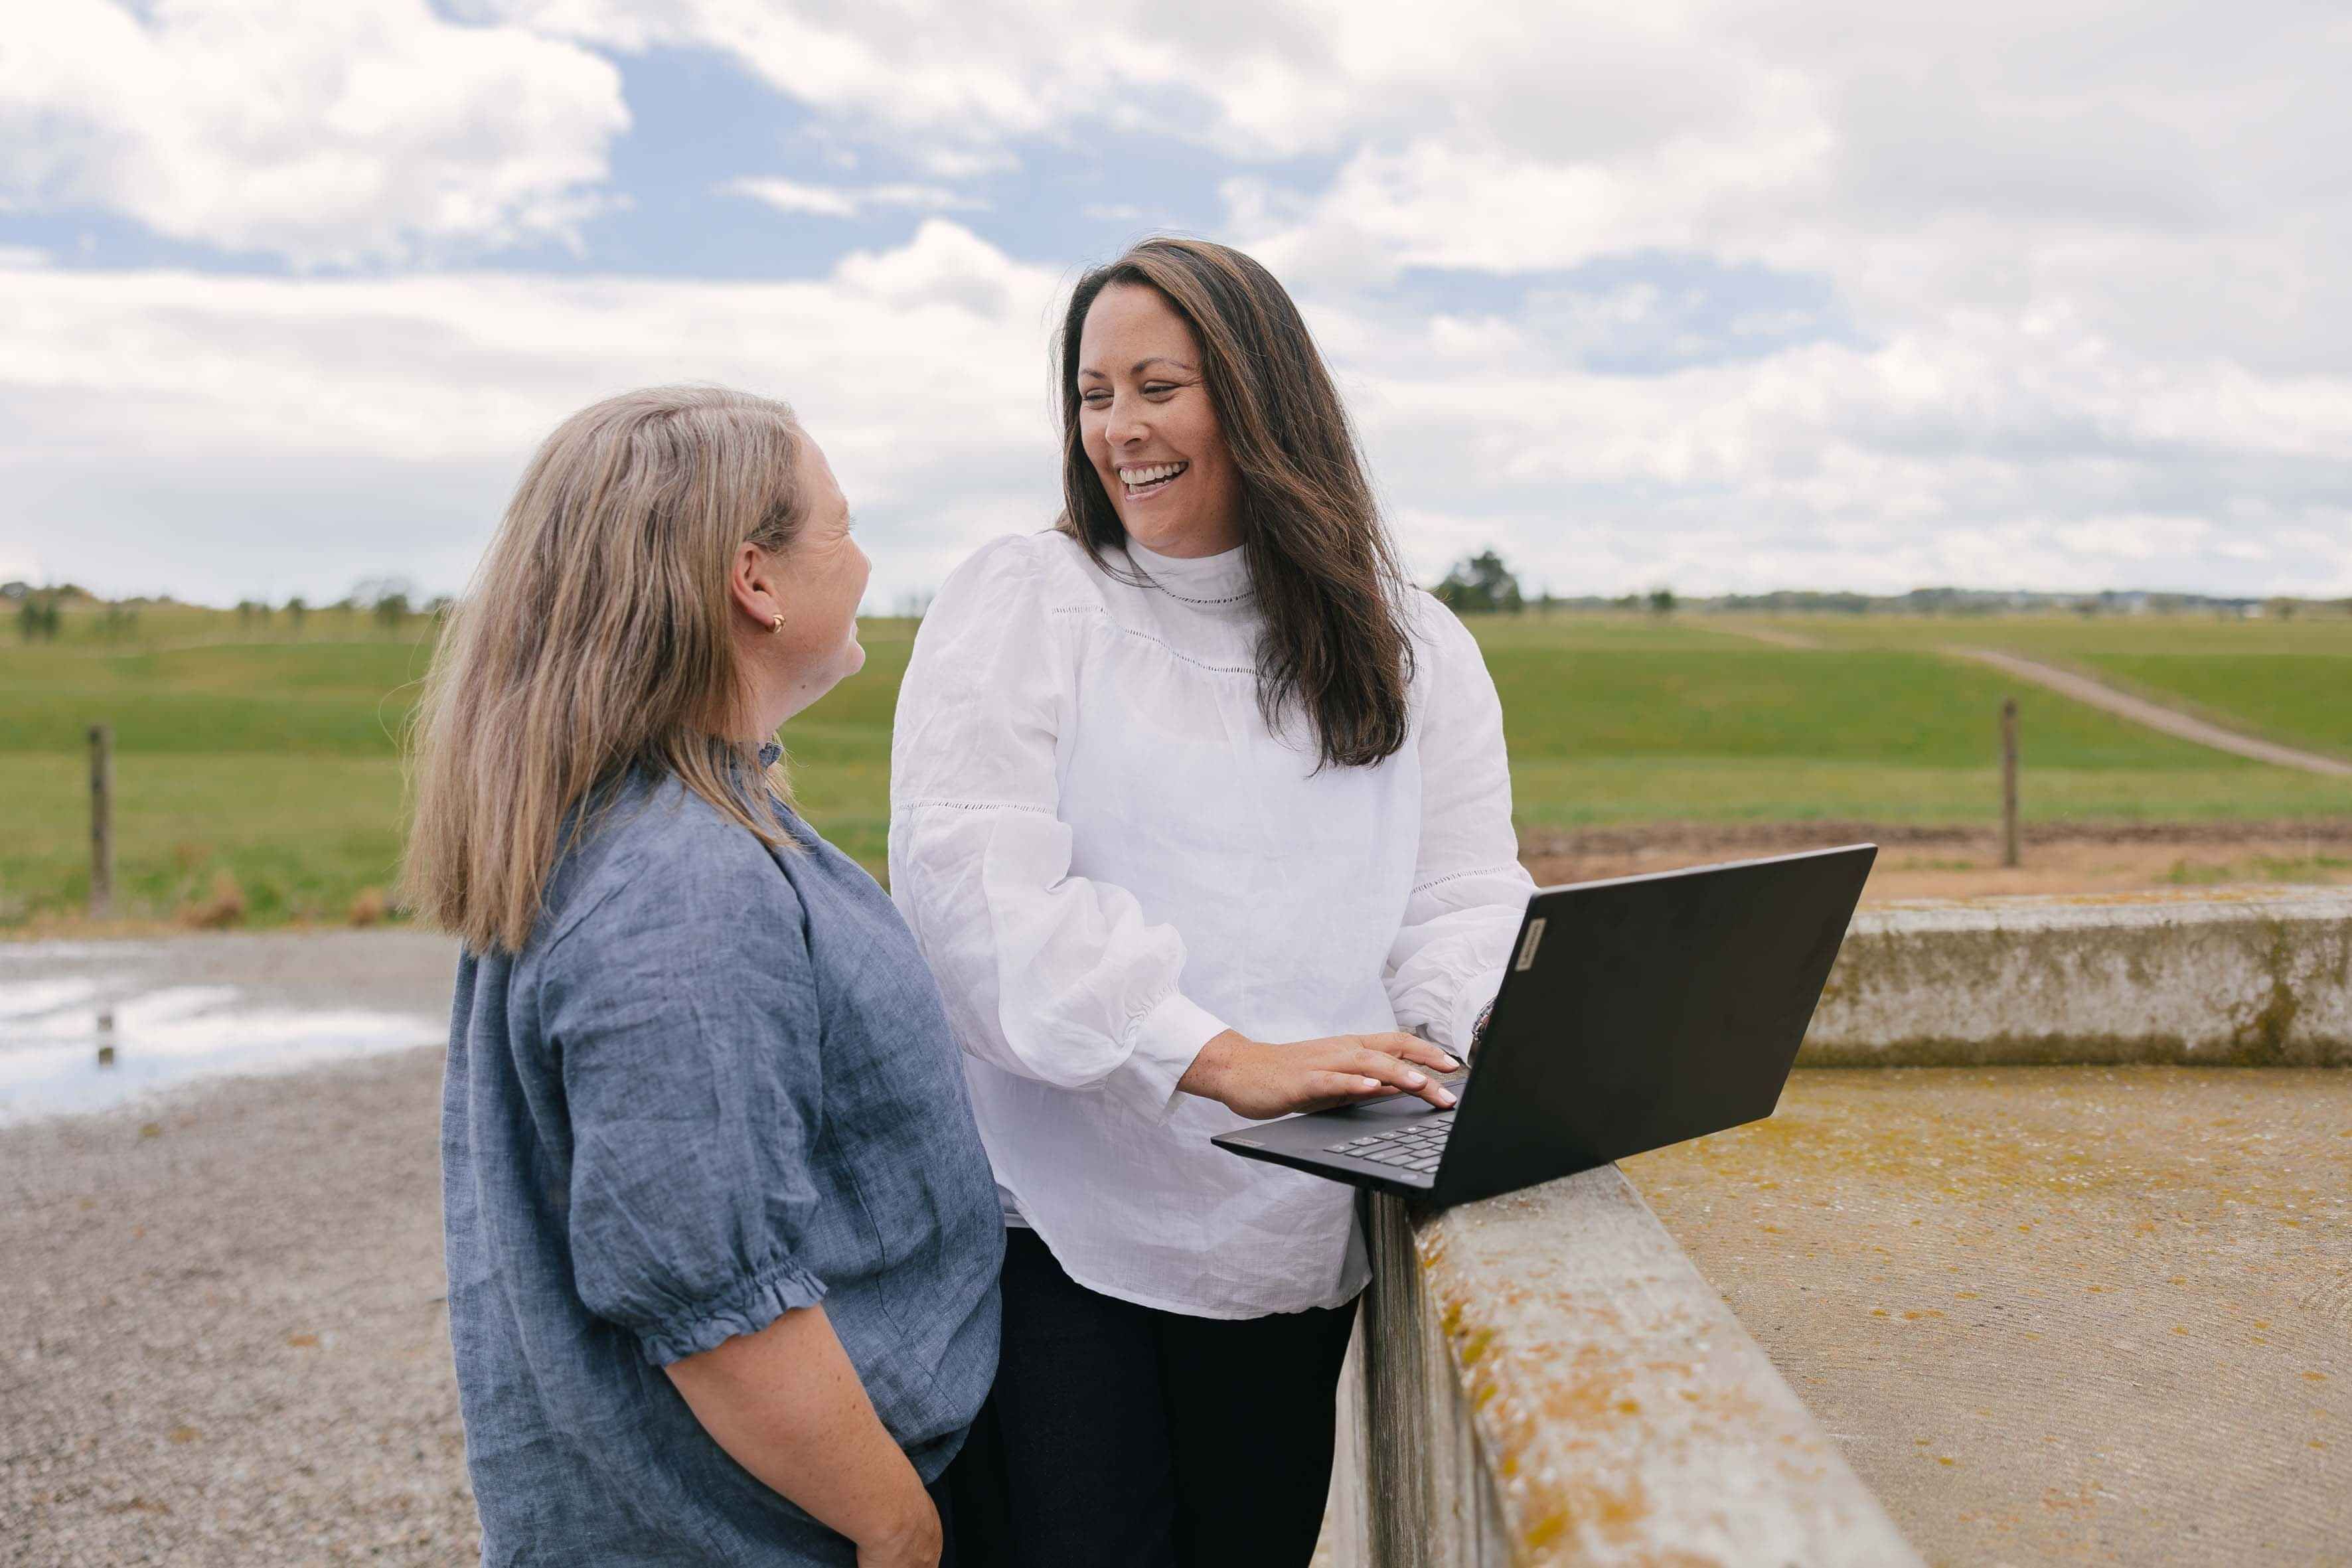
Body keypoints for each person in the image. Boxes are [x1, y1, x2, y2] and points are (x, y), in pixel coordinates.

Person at [888, 239, 1537, 1566]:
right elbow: (974, 894)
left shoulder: (1413, 641)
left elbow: (1462, 891)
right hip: (1061, 1222)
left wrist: (1442, 1049)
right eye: (1093, 394)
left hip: (1291, 1232)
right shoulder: (1027, 599)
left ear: (1258, 399)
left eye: (1157, 387)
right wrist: (1215, 1056)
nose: (1117, 429)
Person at [406, 386, 1003, 1567]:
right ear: (754, 580)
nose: (864, 562)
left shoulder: (658, 823)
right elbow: (713, 1298)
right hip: (758, 1535)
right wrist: (897, 1524)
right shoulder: (680, 884)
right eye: (840, 526)